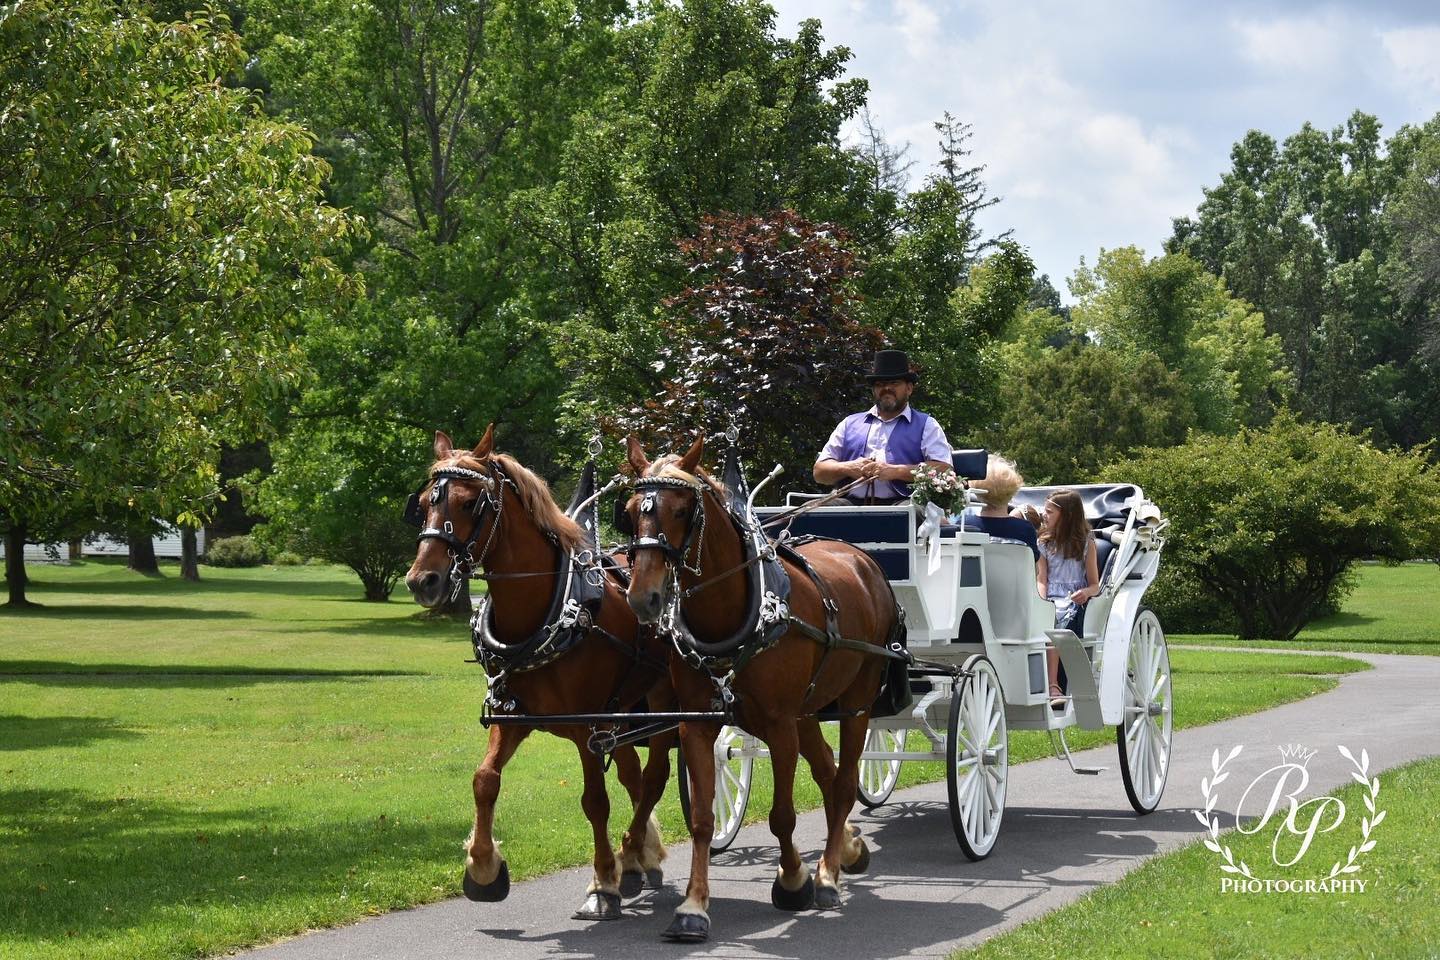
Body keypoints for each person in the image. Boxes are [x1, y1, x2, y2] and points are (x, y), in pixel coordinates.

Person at [814, 349, 954, 504]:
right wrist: (848, 468)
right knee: (813, 512)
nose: (886, 388)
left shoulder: (927, 424)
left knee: (909, 513)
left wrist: (896, 471)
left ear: (909, 388)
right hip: (850, 502)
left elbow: (944, 469)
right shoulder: (849, 424)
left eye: (894, 383)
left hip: (904, 502)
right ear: (873, 390)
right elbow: (819, 472)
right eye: (880, 384)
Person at [1037, 489, 1100, 711]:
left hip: (1073, 598)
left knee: (1056, 622)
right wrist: (1041, 601)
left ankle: (1053, 685)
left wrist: (1086, 593)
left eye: (1049, 512)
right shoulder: (1043, 543)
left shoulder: (1086, 544)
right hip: (1050, 596)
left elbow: (1095, 584)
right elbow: (1042, 579)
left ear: (1067, 515)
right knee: (1047, 614)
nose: (1044, 515)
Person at [961, 454, 1039, 556]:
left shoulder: (964, 525)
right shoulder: (1025, 529)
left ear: (977, 491)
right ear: (1012, 493)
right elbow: (1033, 561)